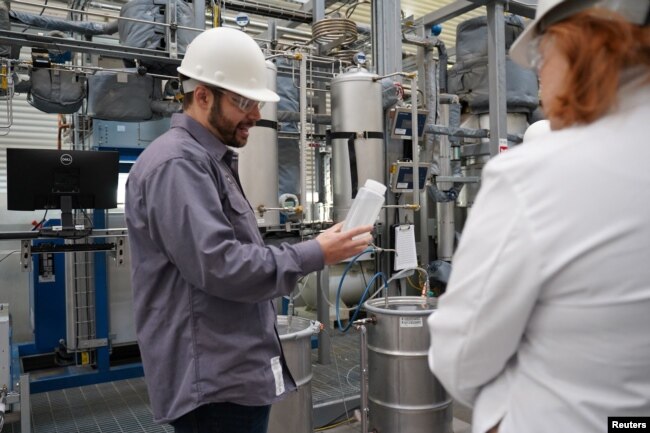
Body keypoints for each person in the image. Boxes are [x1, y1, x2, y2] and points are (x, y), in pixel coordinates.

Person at [125, 27, 373, 433]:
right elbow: (221, 265)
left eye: (256, 102)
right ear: (202, 95)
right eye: (244, 102)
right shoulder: (178, 165)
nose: (256, 116)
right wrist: (316, 252)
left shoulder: (209, 160)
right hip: (213, 381)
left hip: (231, 369)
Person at [427, 1, 650, 432]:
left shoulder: (534, 176)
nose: (539, 76)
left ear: (578, 43)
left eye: (541, 57)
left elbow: (459, 358)